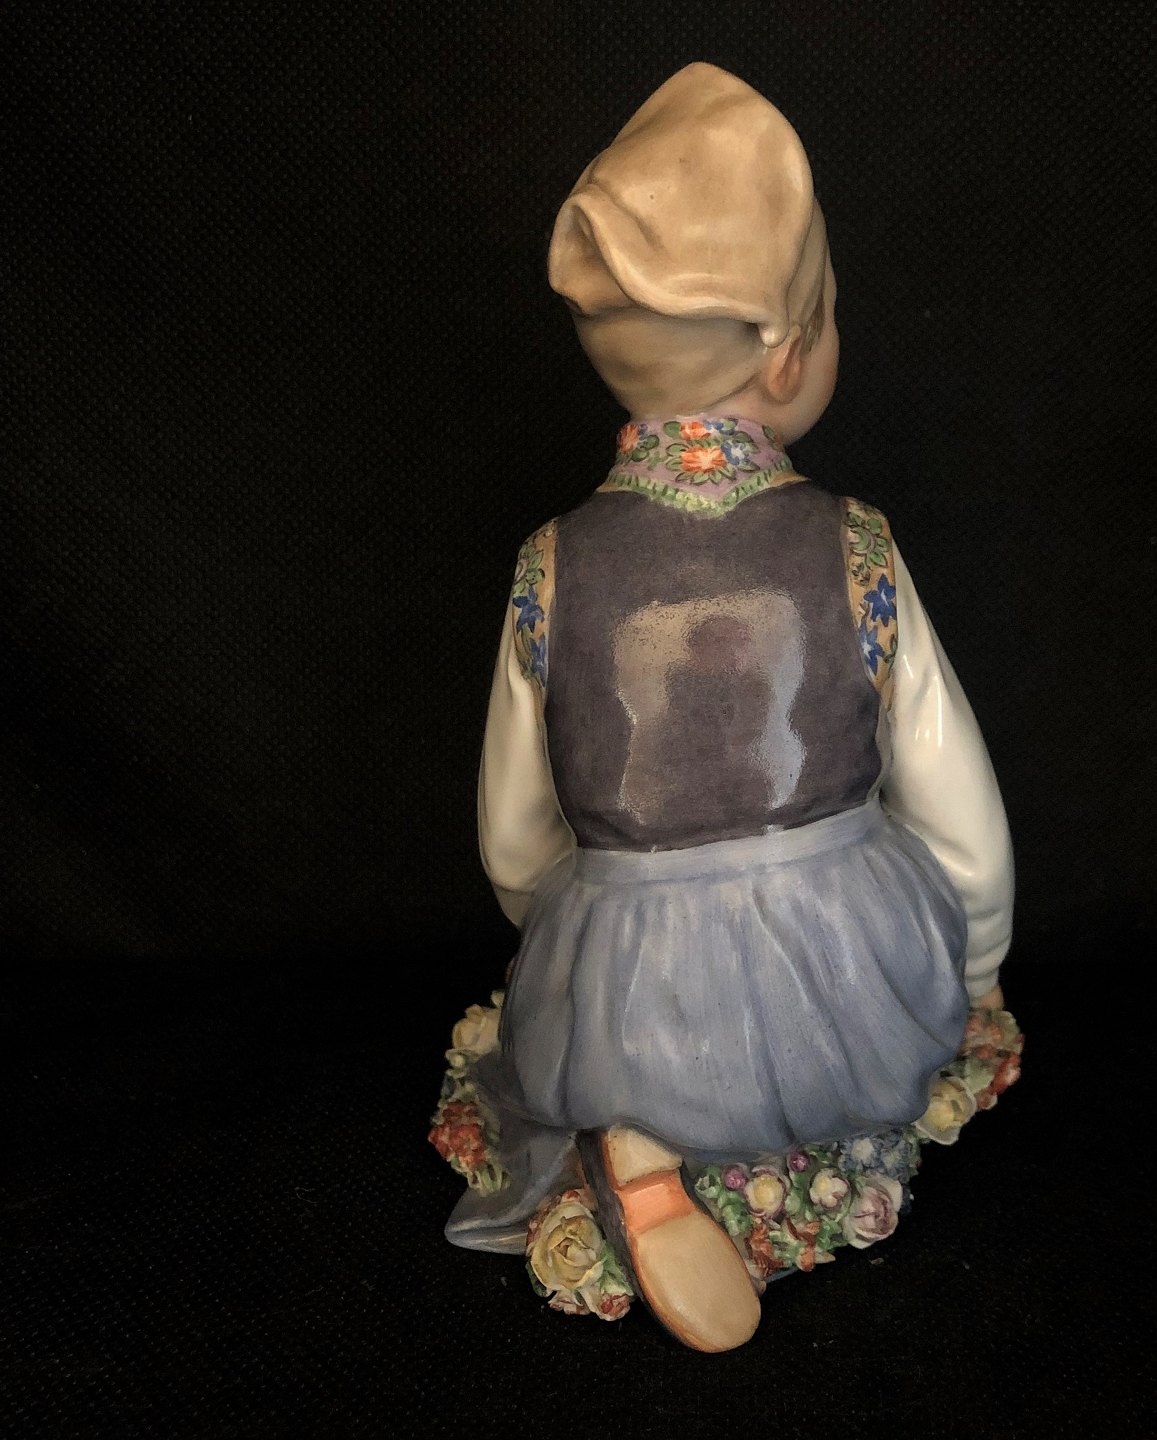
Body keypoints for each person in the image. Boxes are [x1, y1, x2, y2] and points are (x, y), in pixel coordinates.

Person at [445, 62, 1013, 1353]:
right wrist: (972, 962)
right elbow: (954, 797)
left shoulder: (551, 561)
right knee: (865, 1024)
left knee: (611, 1019)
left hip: (627, 961)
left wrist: (575, 950)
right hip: (843, 967)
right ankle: (764, 1138)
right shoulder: (855, 542)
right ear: (793, 346)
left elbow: (516, 836)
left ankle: (638, 1135)